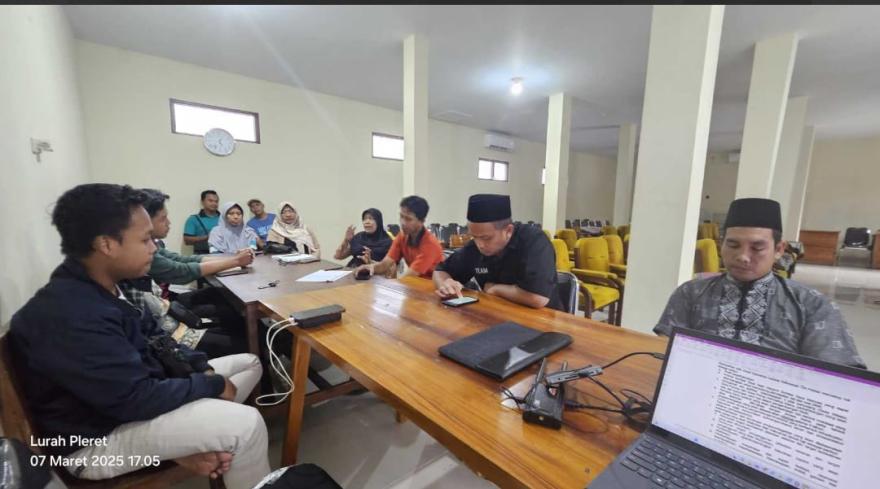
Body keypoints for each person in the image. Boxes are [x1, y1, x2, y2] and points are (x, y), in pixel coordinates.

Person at [9, 184, 270, 488]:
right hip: (92, 445)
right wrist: (208, 384)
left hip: (124, 408)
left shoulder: (107, 286)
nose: (153, 247)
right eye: (145, 239)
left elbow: (159, 341)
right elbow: (134, 400)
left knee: (249, 363)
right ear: (107, 244)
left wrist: (202, 369)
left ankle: (194, 438)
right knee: (246, 424)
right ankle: (207, 436)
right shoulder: (70, 312)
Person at [654, 197, 865, 368]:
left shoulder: (811, 304)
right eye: (733, 245)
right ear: (721, 246)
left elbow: (836, 375)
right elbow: (664, 353)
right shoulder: (691, 293)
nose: (743, 257)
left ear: (779, 250)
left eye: (757, 248)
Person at [433, 194, 562, 310]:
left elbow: (537, 298)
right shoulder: (475, 247)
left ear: (508, 231)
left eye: (486, 238)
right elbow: (440, 271)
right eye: (474, 237)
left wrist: (495, 289)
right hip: (499, 313)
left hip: (544, 320)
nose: (480, 245)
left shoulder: (534, 242)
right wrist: (446, 284)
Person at [355, 195, 443, 279]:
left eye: (408, 219)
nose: (403, 223)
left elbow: (409, 277)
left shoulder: (430, 244)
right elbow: (385, 265)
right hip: (414, 286)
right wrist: (371, 267)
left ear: (422, 221)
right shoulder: (402, 237)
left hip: (433, 290)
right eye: (401, 216)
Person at [183, 190, 221, 254]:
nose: (214, 203)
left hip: (223, 255)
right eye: (210, 201)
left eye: (216, 201)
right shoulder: (193, 219)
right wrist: (207, 237)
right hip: (201, 256)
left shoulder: (225, 219)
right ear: (202, 202)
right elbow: (187, 240)